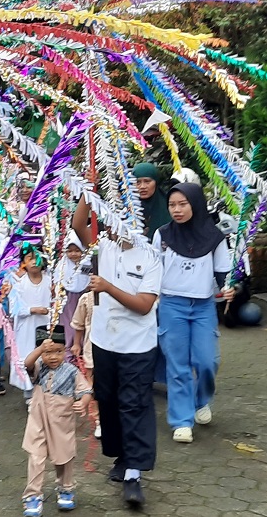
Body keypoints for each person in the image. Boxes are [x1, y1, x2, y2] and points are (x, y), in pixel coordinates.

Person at [72, 196, 162, 508]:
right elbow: (77, 224)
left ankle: (134, 474)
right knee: (108, 403)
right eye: (115, 217)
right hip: (104, 343)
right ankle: (122, 457)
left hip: (138, 346)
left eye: (129, 218)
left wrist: (108, 287)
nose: (121, 225)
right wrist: (87, 190)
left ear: (140, 221)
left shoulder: (151, 256)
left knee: (133, 404)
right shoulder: (103, 248)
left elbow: (144, 305)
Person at [153, 182, 234, 444]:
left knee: (208, 361)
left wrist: (229, 288)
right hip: (171, 305)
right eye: (172, 205)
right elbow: (153, 271)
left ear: (196, 204)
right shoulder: (162, 235)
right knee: (178, 366)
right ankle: (181, 421)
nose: (176, 210)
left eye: (183, 204)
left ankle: (201, 401)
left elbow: (223, 273)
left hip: (203, 307)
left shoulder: (215, 237)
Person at [20, 326, 93, 517]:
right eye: (48, 353)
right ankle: (33, 496)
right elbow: (27, 363)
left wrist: (83, 403)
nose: (53, 357)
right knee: (36, 457)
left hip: (62, 422)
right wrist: (39, 350)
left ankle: (66, 489)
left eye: (58, 352)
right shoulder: (38, 367)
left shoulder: (71, 371)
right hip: (38, 419)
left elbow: (85, 390)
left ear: (65, 351)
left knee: (64, 458)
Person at [10, 244, 52, 400]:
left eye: (37, 258)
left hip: (45, 325)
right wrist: (33, 310)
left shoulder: (50, 281)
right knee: (27, 357)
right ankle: (28, 393)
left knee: (46, 355)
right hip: (26, 328)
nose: (34, 262)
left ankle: (45, 392)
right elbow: (14, 309)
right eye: (30, 259)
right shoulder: (19, 284)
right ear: (24, 263)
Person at [69, 290, 99, 438]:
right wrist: (76, 344)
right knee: (92, 383)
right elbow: (79, 324)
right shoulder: (87, 298)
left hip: (114, 348)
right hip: (91, 347)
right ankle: (99, 420)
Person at [55, 231, 88, 357]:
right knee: (68, 326)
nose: (73, 254)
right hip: (66, 302)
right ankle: (67, 352)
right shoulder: (62, 266)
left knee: (81, 324)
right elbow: (58, 282)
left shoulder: (86, 265)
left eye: (77, 250)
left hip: (82, 300)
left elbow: (88, 279)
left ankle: (81, 349)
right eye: (70, 251)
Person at [133, 162, 171, 240]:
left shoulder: (169, 204)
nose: (142, 187)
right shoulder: (126, 207)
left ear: (156, 182)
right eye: (138, 182)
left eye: (147, 181)